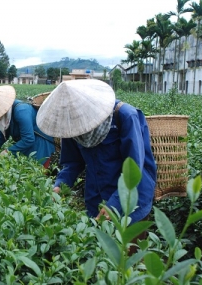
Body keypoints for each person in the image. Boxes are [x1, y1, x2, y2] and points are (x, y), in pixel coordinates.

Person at [36, 79, 156, 225]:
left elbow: (134, 169)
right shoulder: (71, 126)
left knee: (128, 246)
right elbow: (72, 163)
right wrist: (60, 185)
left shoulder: (125, 116)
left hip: (133, 199)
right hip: (96, 196)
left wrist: (114, 205)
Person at [0, 85, 55, 167]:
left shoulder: (21, 111)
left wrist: (8, 151)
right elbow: (2, 135)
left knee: (35, 173)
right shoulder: (5, 116)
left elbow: (28, 139)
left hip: (40, 145)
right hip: (25, 145)